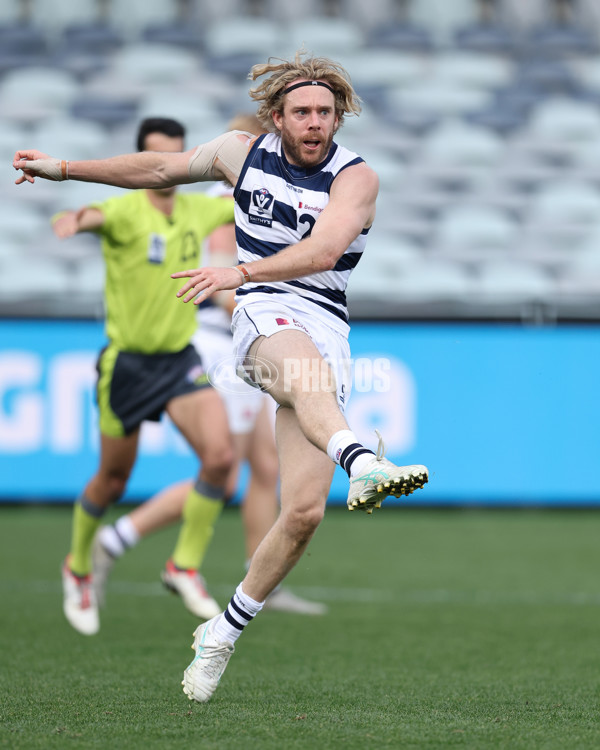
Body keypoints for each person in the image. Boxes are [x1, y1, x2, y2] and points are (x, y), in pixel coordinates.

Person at [14, 50, 429, 700]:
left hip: (321, 320)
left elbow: (322, 251)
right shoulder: (241, 152)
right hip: (263, 312)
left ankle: (222, 631)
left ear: (339, 116)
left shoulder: (357, 179)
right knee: (295, 373)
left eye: (325, 111)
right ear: (276, 117)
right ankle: (360, 456)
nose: (315, 122)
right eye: (302, 112)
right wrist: (65, 169)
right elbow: (157, 168)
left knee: (302, 514)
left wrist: (235, 271)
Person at [93, 115, 328, 617]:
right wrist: (266, 306)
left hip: (253, 340)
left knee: (264, 466)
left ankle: (260, 575)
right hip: (228, 345)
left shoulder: (255, 195)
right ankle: (117, 538)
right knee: (221, 469)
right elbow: (222, 282)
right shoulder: (233, 199)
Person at [47, 117, 237, 635]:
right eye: (158, 158)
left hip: (179, 359)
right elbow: (88, 214)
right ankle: (79, 566)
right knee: (113, 481)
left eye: (177, 157)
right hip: (127, 365)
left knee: (221, 458)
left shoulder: (199, 208)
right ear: (141, 161)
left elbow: (249, 199)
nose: (168, 170)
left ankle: (183, 565)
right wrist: (73, 219)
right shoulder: (124, 209)